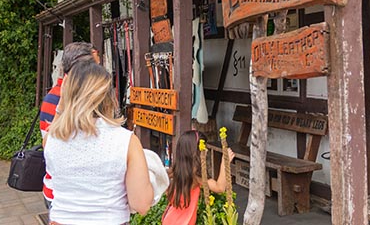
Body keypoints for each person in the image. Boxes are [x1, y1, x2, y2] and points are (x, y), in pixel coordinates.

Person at [44, 61, 154, 224]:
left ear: (67, 94)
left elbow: (57, 127)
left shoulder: (52, 138)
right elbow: (141, 204)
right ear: (108, 96)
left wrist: (61, 107)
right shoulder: (126, 141)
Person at [39, 42, 99, 208]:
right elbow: (53, 148)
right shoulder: (68, 102)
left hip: (58, 191)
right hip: (67, 195)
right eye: (96, 67)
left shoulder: (52, 97)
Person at [162, 130, 235, 225]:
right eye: (204, 147)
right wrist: (225, 162)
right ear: (195, 152)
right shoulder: (196, 176)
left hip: (169, 220)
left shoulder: (175, 172)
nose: (207, 151)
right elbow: (220, 187)